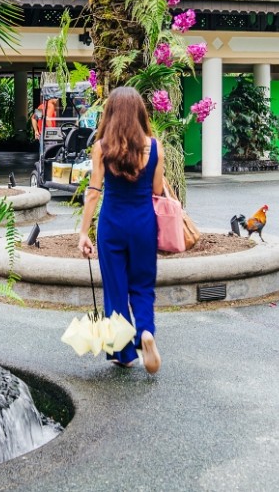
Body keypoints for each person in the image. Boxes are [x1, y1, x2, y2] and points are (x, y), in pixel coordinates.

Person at [78, 87, 164, 373]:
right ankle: (146, 333)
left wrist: (83, 233)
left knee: (115, 289)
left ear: (111, 114)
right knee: (142, 284)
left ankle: (124, 352)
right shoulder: (155, 146)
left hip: (112, 224)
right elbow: (156, 190)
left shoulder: (102, 147)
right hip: (143, 223)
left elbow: (93, 192)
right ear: (140, 113)